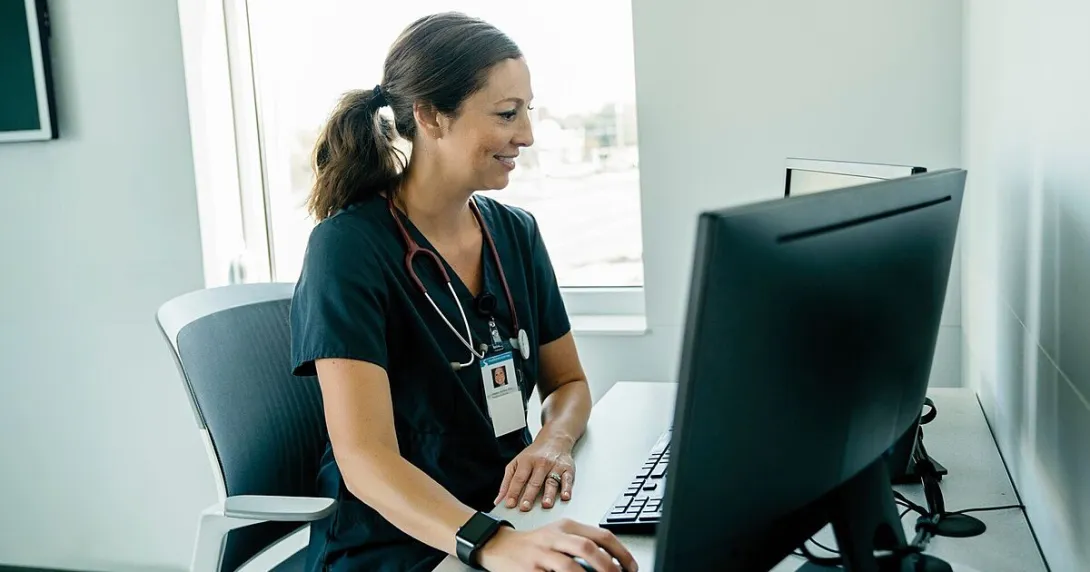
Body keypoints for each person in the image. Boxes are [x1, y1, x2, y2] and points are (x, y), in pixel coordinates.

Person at [289, 11, 638, 572]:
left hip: (507, 513)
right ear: (430, 116)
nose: (525, 134)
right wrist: (492, 543)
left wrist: (552, 441)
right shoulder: (348, 249)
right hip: (398, 542)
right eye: (506, 114)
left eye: (527, 110)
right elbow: (364, 458)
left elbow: (568, 382)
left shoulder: (515, 233)